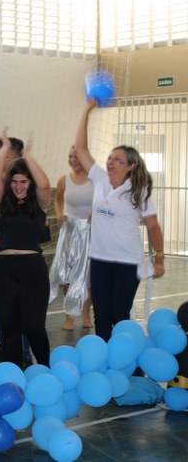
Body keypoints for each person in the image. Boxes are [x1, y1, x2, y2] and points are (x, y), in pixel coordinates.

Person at [74, 100, 165, 341]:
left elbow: (153, 225)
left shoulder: (139, 190)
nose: (111, 162)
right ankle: (104, 358)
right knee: (102, 315)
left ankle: (125, 358)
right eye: (110, 158)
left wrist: (159, 255)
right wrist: (86, 110)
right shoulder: (100, 179)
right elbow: (81, 149)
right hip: (100, 258)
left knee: (119, 314)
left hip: (127, 261)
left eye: (119, 160)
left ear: (131, 166)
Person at [0, 128, 51, 367]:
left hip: (32, 269)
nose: (18, 186)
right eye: (14, 181)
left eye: (23, 181)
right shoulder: (2, 201)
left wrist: (27, 156)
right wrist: (5, 148)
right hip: (4, 268)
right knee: (10, 327)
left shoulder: (40, 202)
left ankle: (45, 368)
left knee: (34, 327)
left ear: (30, 182)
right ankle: (15, 374)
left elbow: (44, 183)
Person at [49, 146, 94, 331]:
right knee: (68, 275)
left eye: (76, 157)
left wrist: (97, 212)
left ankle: (85, 314)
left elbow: (106, 201)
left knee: (87, 276)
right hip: (70, 232)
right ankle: (70, 316)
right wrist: (59, 214)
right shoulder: (64, 180)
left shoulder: (95, 180)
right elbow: (58, 199)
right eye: (70, 157)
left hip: (90, 232)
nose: (72, 160)